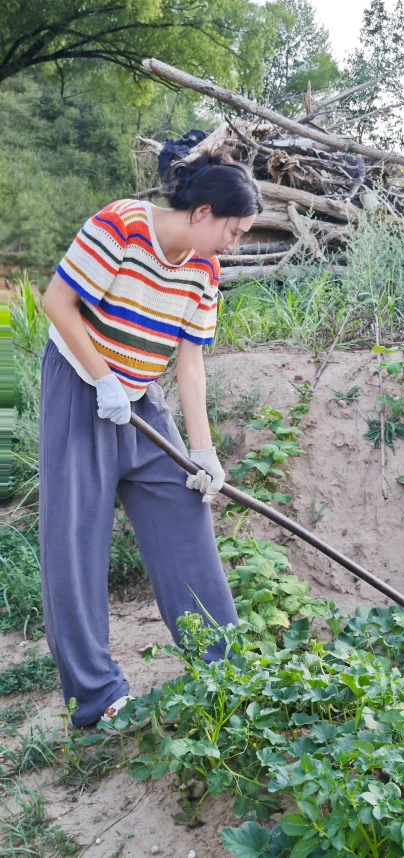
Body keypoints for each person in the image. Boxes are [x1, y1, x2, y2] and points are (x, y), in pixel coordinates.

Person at [39, 151, 263, 728]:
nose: (233, 245)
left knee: (183, 508)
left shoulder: (204, 270)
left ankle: (221, 663)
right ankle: (97, 699)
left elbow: (190, 364)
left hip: (139, 397)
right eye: (232, 232)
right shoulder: (121, 225)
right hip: (79, 387)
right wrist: (102, 377)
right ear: (204, 212)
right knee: (75, 538)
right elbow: (56, 302)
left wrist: (203, 449)